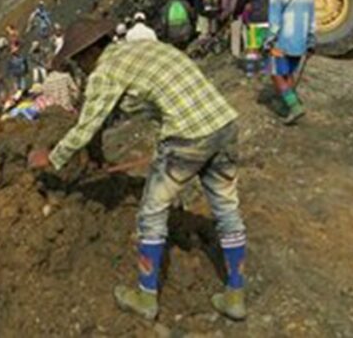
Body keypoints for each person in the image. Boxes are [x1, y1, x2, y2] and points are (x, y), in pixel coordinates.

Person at [30, 21, 248, 322]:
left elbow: (85, 127)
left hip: (187, 138)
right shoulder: (146, 48)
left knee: (151, 214)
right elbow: (131, 111)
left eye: (79, 58)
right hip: (223, 125)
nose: (80, 66)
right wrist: (100, 153)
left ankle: (146, 298)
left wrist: (52, 158)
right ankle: (235, 295)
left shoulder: (105, 73)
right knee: (226, 209)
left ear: (94, 50)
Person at [266, 0, 316, 124]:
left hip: (281, 43)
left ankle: (294, 107)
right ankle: (289, 103)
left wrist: (267, 41)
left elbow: (274, 24)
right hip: (300, 42)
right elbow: (312, 21)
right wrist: (311, 43)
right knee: (288, 73)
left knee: (276, 74)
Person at [236, 0, 271, 77]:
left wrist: (236, 13)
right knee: (265, 46)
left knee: (252, 47)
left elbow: (241, 1)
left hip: (255, 18)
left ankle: (251, 71)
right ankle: (265, 70)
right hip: (267, 17)